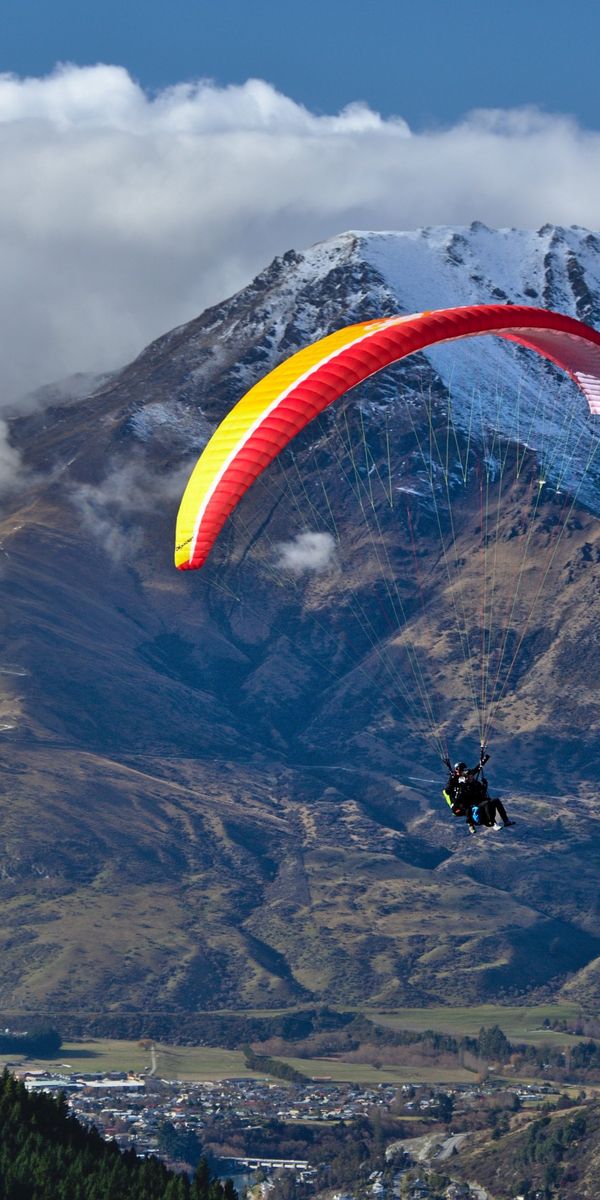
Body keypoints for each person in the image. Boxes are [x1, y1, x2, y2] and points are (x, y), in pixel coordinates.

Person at [442, 747, 514, 834]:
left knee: (495, 800)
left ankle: (506, 821)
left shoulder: (474, 782)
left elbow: (478, 769)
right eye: (462, 770)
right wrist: (453, 779)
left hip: (478, 800)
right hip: (465, 804)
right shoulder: (459, 782)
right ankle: (493, 823)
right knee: (486, 803)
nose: (470, 776)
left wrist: (485, 759)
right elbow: (449, 791)